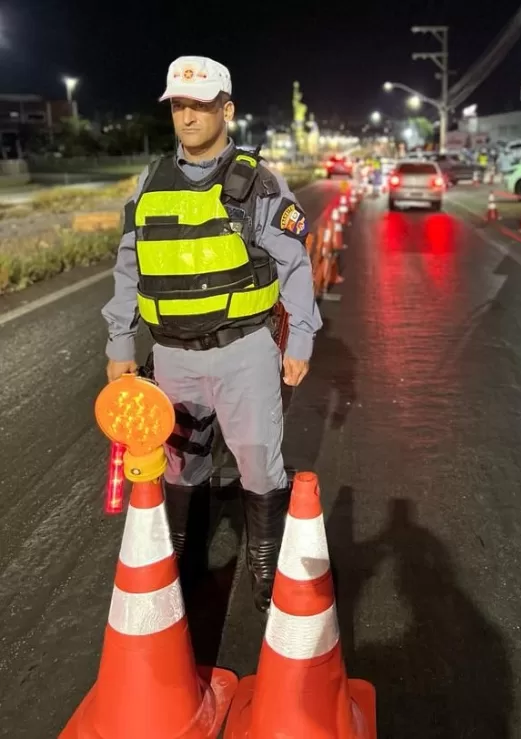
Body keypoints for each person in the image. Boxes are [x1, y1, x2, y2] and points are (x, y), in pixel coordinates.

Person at [101, 56, 322, 613]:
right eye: (179, 105)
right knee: (179, 466)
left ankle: (267, 575)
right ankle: (182, 563)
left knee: (257, 462)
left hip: (243, 352)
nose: (188, 116)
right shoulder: (151, 181)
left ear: (227, 109)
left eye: (200, 105)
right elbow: (130, 268)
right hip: (171, 358)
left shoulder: (259, 183)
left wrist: (300, 341)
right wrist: (120, 343)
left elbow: (295, 266)